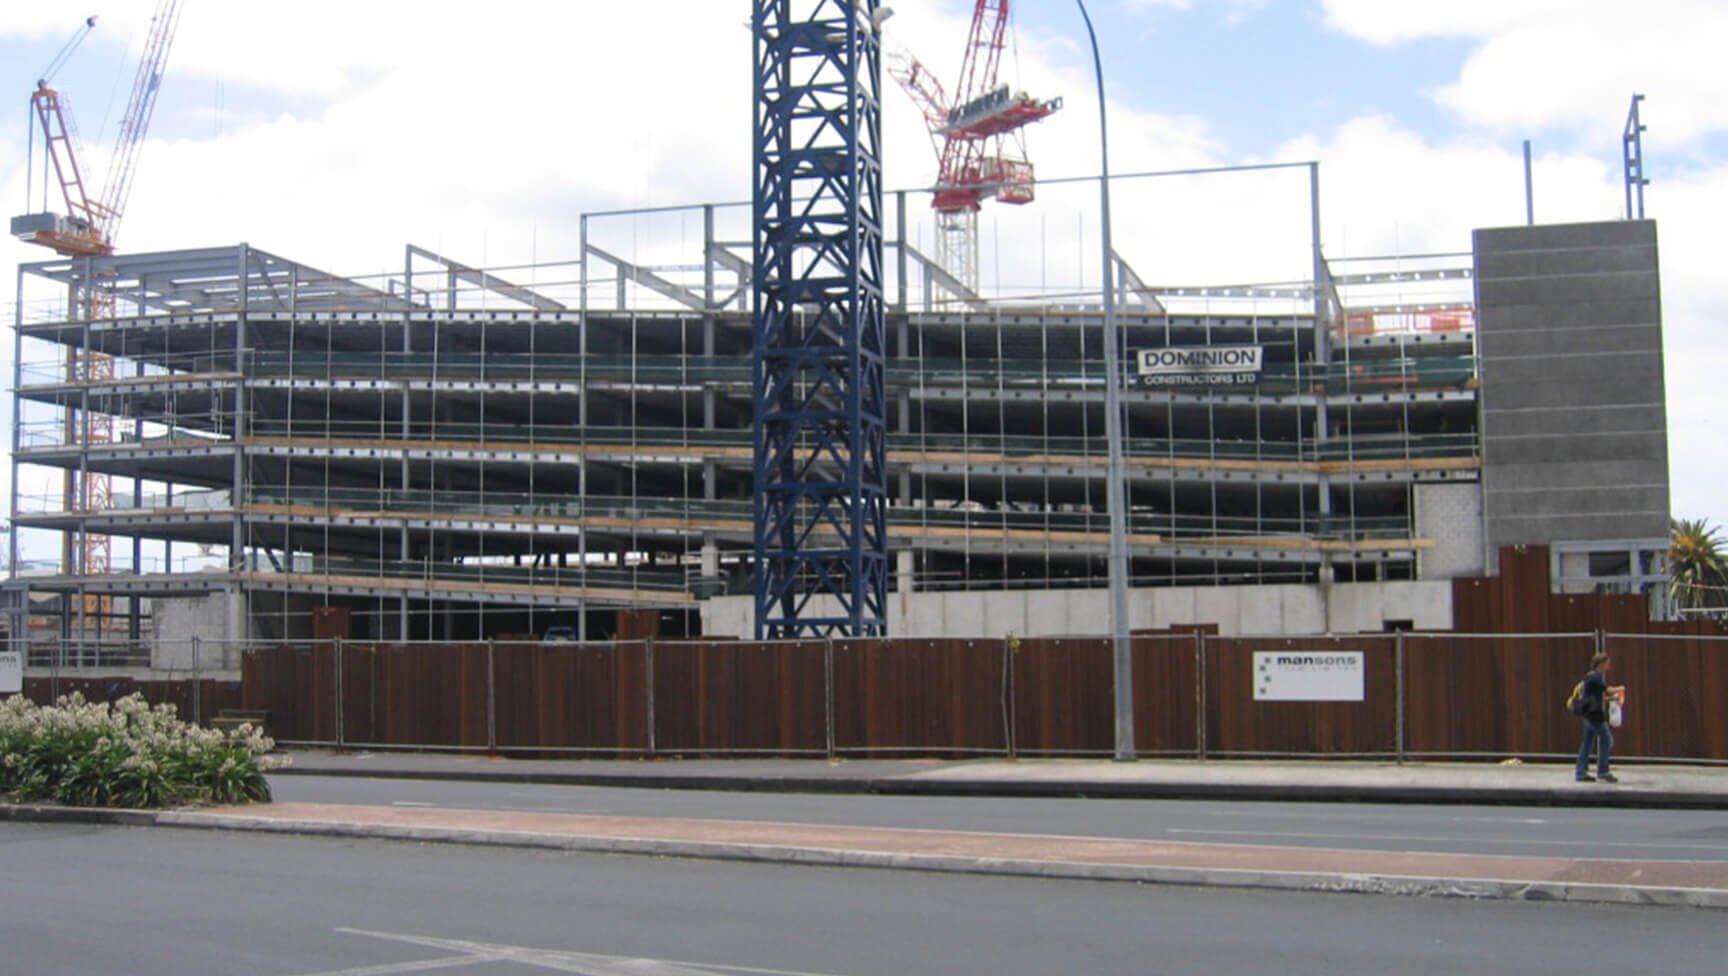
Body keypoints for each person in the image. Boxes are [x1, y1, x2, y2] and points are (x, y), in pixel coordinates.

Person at [1574, 652, 1618, 783]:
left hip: (1587, 715)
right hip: (1595, 716)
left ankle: (1580, 773)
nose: (1608, 666)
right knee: (1607, 740)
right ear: (1601, 664)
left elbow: (1597, 696)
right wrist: (1620, 689)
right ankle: (1603, 771)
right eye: (1607, 663)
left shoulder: (1590, 677)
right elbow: (1607, 690)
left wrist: (1611, 698)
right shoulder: (1596, 677)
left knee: (1587, 743)